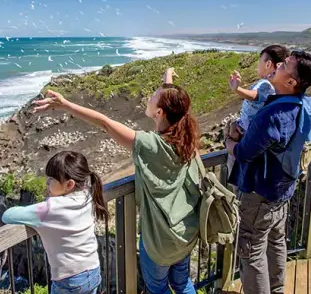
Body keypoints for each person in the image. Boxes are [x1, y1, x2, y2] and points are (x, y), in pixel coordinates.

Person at [33, 68, 201, 294]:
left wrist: (65, 105)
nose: (149, 97)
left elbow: (104, 123)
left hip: (161, 241)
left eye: (154, 95)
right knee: (182, 284)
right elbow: (176, 106)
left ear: (159, 111)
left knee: (158, 288)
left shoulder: (150, 145)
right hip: (185, 232)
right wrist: (167, 78)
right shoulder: (185, 139)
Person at [225, 51, 311, 294]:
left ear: (291, 82)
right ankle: (277, 290)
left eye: (284, 66)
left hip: (260, 193)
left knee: (251, 252)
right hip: (282, 191)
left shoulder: (273, 114)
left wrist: (229, 143)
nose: (278, 66)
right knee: (276, 242)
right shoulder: (300, 106)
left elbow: (245, 153)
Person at [2, 151, 107, 294]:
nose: (47, 182)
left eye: (51, 178)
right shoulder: (87, 196)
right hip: (92, 271)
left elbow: (7, 215)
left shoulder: (51, 209)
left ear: (69, 184)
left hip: (69, 280)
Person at [226, 45, 290, 184]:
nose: (257, 65)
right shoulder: (281, 86)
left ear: (268, 64)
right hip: (256, 137)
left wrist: (237, 89)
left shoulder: (265, 83)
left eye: (260, 61)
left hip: (244, 137)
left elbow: (256, 96)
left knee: (237, 180)